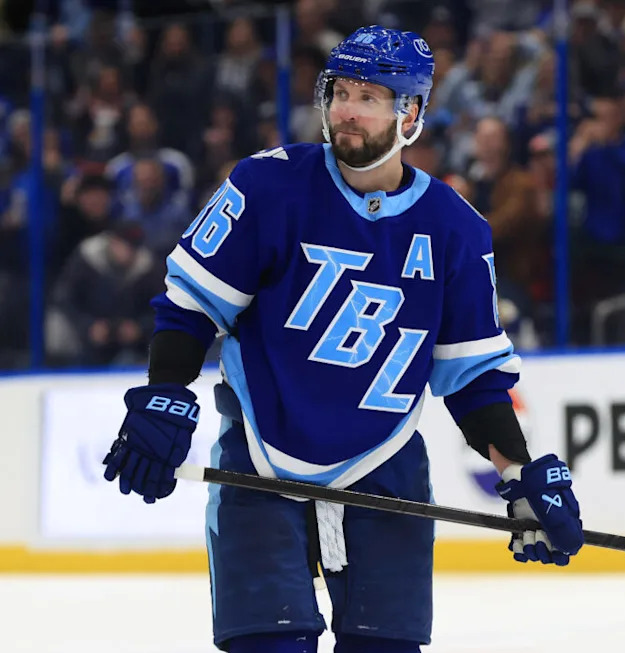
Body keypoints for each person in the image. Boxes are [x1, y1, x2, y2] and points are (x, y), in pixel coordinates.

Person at [101, 26, 584, 653]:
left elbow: (472, 380)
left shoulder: (456, 230)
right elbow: (191, 307)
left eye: (370, 96)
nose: (347, 111)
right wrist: (164, 395)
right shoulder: (266, 187)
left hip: (385, 468)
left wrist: (520, 473)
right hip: (260, 458)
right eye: (340, 92)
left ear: (409, 112)